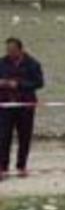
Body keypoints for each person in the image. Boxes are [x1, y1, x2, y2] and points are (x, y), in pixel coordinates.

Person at [0, 37, 45, 179]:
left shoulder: (32, 63)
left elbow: (39, 83)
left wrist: (18, 85)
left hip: (25, 106)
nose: (9, 52)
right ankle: (2, 168)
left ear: (20, 49)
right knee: (3, 137)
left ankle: (21, 166)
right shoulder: (2, 63)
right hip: (5, 105)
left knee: (24, 137)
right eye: (7, 50)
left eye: (12, 50)